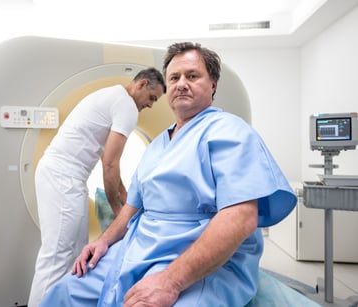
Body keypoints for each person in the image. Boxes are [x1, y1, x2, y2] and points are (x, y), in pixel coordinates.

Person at [38, 42, 297, 307]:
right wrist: (102, 241)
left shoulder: (230, 131)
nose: (181, 83)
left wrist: (170, 282)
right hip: (141, 248)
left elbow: (240, 218)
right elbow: (132, 208)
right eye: (174, 77)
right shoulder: (158, 145)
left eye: (192, 76)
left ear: (213, 85)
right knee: (66, 292)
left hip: (195, 256)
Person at [28, 68, 166, 307]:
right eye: (153, 97)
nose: (152, 105)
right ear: (142, 84)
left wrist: (125, 196)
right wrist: (118, 211)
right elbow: (110, 163)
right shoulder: (127, 107)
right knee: (56, 257)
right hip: (63, 177)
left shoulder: (112, 96)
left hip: (65, 176)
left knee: (74, 254)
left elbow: (111, 164)